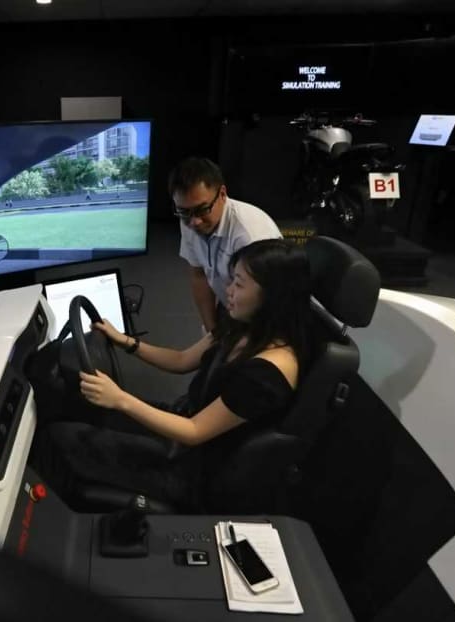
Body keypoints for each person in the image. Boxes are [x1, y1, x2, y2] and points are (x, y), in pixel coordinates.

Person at [35, 239, 312, 513]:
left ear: (272, 296)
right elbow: (182, 360)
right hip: (182, 421)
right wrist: (126, 341)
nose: (228, 290)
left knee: (58, 440)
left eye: (239, 284)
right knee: (79, 408)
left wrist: (120, 399)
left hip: (191, 468)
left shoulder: (269, 372)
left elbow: (195, 432)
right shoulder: (241, 325)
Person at [171, 157, 282, 334]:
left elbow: (269, 303)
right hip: (233, 306)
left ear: (222, 194)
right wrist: (212, 332)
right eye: (184, 212)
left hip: (266, 317)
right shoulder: (189, 219)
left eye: (202, 209)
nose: (194, 222)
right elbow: (199, 275)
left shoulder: (249, 237)